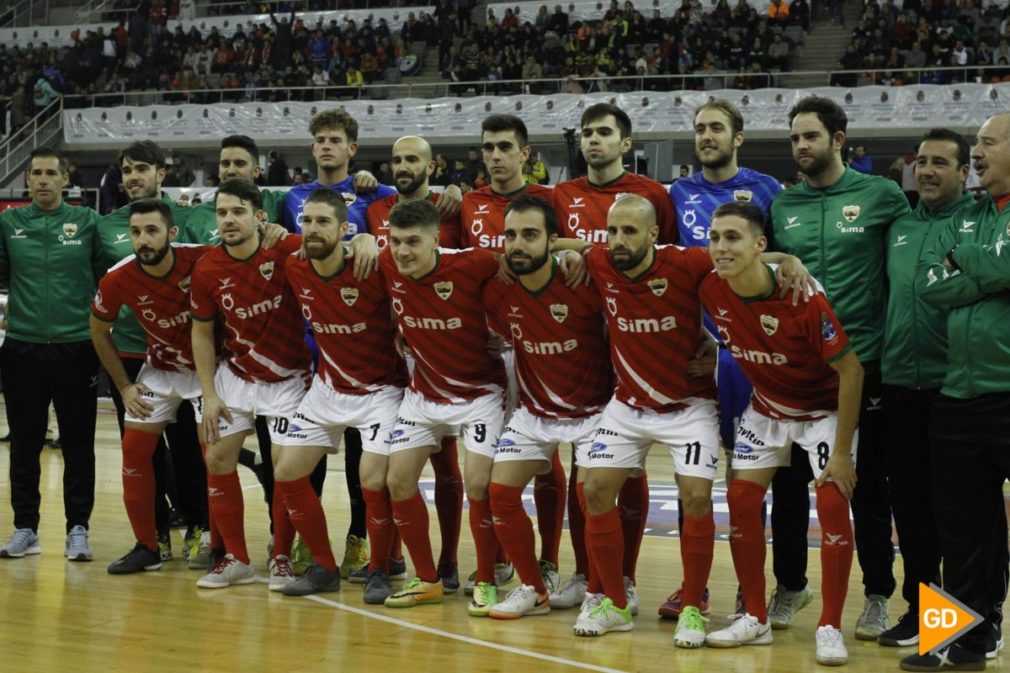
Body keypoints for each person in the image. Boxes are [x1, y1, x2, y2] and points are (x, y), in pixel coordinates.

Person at [770, 96, 910, 640]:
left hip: (865, 363)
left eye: (811, 136)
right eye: (795, 138)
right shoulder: (783, 206)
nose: (801, 146)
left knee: (867, 485)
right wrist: (783, 259)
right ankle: (789, 585)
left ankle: (877, 594)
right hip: (799, 371)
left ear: (838, 138)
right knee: (788, 483)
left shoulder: (882, 196)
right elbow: (759, 261)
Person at [700, 201, 863, 667]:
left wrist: (845, 454)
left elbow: (851, 372)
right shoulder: (711, 285)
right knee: (742, 500)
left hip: (822, 410)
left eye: (732, 238)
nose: (720, 247)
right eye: (714, 238)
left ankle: (830, 625)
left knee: (832, 501)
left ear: (759, 245)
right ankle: (755, 616)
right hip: (767, 407)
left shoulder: (803, 294)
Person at [550, 102, 675, 614]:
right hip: (579, 340)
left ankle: (623, 577)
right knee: (586, 465)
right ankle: (586, 572)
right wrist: (579, 246)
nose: (593, 141)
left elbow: (666, 255)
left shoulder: (652, 195)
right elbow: (543, 238)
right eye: (587, 133)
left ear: (626, 144)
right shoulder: (561, 194)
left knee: (631, 468)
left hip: (635, 341)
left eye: (604, 133)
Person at [663, 99, 782, 620]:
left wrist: (790, 258)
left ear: (738, 137)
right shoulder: (677, 193)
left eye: (716, 128)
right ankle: (696, 587)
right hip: (691, 357)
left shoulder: (766, 190)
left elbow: (774, 259)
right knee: (694, 484)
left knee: (742, 482)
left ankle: (745, 589)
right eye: (699, 129)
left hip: (744, 358)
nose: (706, 136)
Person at [900, 111, 1010, 669]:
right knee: (961, 528)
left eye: (989, 143)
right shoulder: (962, 216)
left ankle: (983, 625)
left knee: (979, 526)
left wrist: (962, 264)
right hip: (957, 394)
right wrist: (989, 273)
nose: (979, 154)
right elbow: (927, 285)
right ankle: (952, 639)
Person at [482, 195, 612, 620]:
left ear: (553, 241)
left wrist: (576, 251)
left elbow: (614, 254)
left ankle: (597, 591)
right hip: (536, 411)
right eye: (511, 236)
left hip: (595, 411)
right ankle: (533, 588)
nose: (517, 245)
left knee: (590, 494)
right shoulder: (499, 291)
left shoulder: (584, 281)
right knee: (499, 491)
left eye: (531, 235)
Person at [377, 198, 509, 614]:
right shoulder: (386, 262)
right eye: (395, 241)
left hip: (480, 395)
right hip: (424, 395)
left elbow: (528, 258)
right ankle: (427, 578)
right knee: (397, 479)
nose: (402, 251)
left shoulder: (473, 264)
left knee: (478, 485)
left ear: (437, 239)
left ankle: (486, 578)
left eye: (413, 242)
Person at [275, 188, 406, 601]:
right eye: (307, 221)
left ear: (345, 228)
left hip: (381, 390)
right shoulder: (295, 264)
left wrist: (371, 240)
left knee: (373, 479)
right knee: (287, 472)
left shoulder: (373, 263)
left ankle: (381, 568)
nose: (312, 229)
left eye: (323, 222)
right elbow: (268, 235)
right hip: (328, 387)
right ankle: (324, 566)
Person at [876, 129, 975, 649]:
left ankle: (978, 619)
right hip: (898, 386)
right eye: (922, 162)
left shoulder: (979, 224)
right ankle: (923, 613)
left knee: (958, 512)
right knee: (911, 511)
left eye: (941, 162)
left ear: (965, 172)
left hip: (957, 388)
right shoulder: (898, 225)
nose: (928, 171)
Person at [458, 114, 564, 598]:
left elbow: (568, 248)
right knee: (491, 457)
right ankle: (500, 559)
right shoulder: (467, 204)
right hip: (485, 344)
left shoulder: (550, 200)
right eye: (488, 147)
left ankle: (549, 560)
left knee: (545, 452)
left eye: (505, 147)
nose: (495, 155)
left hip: (539, 341)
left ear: (526, 153)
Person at [189, 178, 312, 590]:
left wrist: (364, 240)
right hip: (236, 377)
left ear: (260, 217)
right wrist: (208, 394)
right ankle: (236, 558)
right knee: (217, 459)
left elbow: (332, 245)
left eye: (238, 211)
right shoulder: (206, 268)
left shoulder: (285, 249)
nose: (228, 220)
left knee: (284, 470)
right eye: (221, 212)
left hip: (288, 377)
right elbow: (202, 334)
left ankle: (280, 556)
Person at [361, 135, 467, 589]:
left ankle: (448, 560)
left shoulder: (452, 208)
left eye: (413, 159)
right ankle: (388, 559)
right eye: (397, 160)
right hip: (391, 354)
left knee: (445, 462)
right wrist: (366, 233)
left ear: (432, 166)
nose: (403, 166)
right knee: (384, 464)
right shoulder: (375, 207)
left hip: (441, 352)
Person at [99, 140, 207, 565]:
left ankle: (202, 528)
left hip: (191, 358)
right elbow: (101, 299)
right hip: (133, 356)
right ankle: (153, 540)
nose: (132, 176)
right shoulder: (105, 226)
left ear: (161, 173)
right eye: (126, 169)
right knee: (143, 451)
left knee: (189, 450)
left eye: (141, 168)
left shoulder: (192, 226)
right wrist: (124, 385)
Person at [0, 147, 104, 561]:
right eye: (35, 174)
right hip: (22, 347)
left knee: (79, 444)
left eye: (50, 173)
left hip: (76, 347)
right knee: (24, 445)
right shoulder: (8, 223)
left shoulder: (88, 222)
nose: (42, 180)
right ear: (28, 181)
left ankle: (78, 528)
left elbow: (104, 277)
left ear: (66, 179)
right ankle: (25, 527)